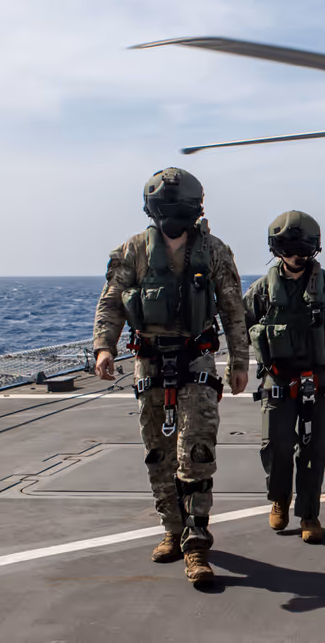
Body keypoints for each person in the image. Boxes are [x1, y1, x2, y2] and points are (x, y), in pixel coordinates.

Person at [91, 167, 249, 586]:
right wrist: (104, 347)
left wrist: (239, 362)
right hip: (150, 362)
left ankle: (196, 542)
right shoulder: (132, 251)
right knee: (158, 452)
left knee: (195, 451)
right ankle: (172, 528)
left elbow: (232, 309)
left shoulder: (214, 251)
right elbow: (111, 302)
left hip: (196, 360)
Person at [243, 211, 325, 544]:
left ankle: (309, 514)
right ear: (277, 250)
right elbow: (242, 328)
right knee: (276, 444)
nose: (296, 257)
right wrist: (237, 365)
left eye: (302, 250)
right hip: (277, 377)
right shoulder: (261, 290)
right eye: (289, 250)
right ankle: (279, 499)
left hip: (318, 375)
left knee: (314, 448)